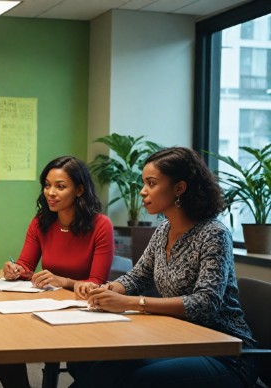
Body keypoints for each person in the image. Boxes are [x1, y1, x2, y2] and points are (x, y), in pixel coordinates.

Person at [70, 147, 259, 388]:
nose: (142, 191)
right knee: (97, 368)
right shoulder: (163, 231)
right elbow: (137, 277)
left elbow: (205, 303)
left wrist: (129, 303)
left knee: (136, 381)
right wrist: (104, 290)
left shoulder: (214, 234)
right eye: (144, 183)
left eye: (151, 183)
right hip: (179, 339)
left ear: (179, 188)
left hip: (225, 353)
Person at [0, 156, 114, 388]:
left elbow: (96, 283)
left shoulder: (101, 225)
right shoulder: (41, 222)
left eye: (60, 187)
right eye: (47, 185)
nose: (51, 193)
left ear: (79, 190)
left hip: (84, 314)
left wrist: (63, 281)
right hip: (45, 305)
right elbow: (26, 266)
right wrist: (15, 270)